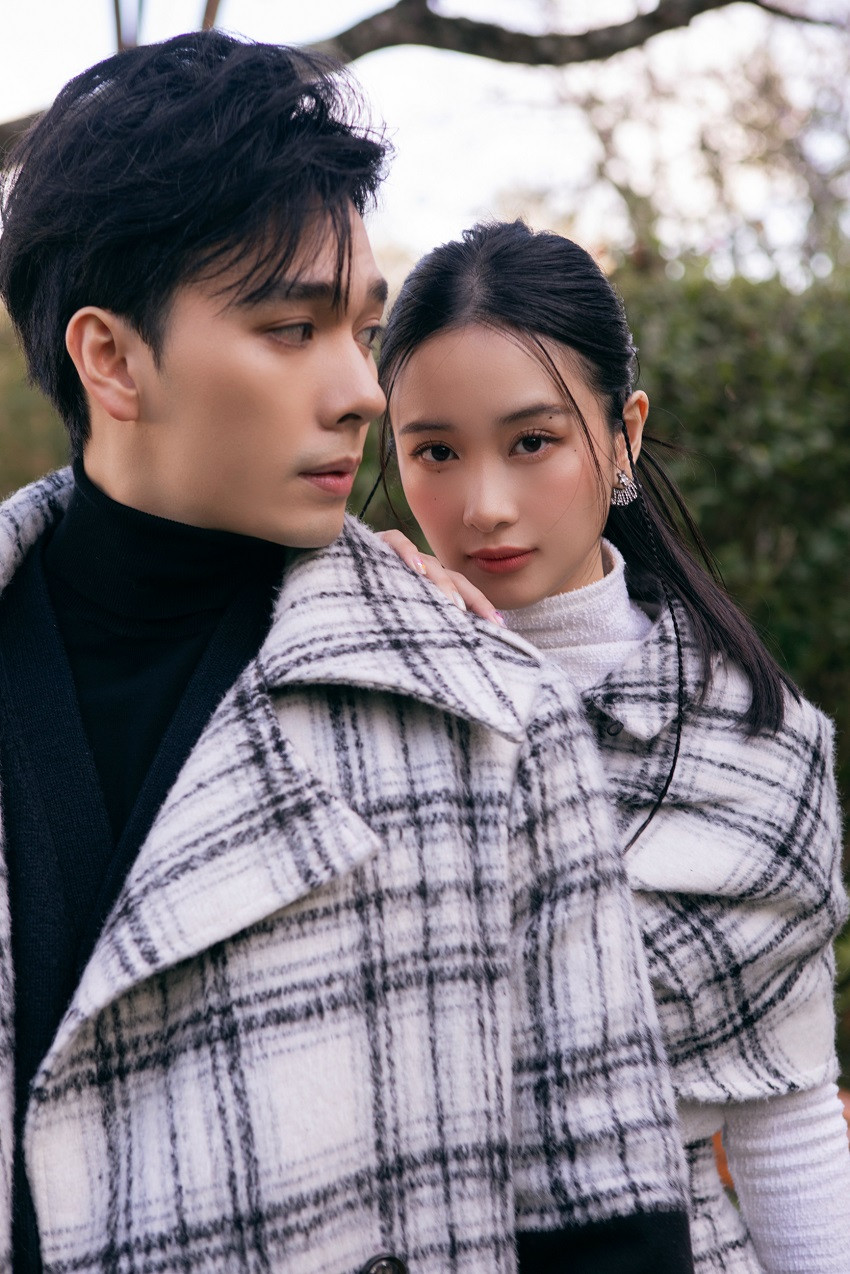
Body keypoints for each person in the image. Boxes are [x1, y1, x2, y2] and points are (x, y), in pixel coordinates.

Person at [0, 35, 695, 1274]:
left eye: (362, 328)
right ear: (110, 356)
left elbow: (613, 1232)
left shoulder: (490, 721)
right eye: (290, 327)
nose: (363, 390)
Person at [376, 220, 850, 1274]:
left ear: (624, 433)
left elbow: (785, 1121)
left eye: (532, 441)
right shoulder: (353, 684)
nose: (483, 505)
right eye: (435, 451)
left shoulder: (757, 745)